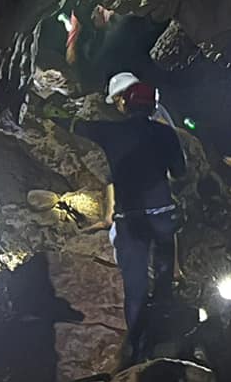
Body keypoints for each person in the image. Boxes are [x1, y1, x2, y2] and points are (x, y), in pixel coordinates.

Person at [73, 72, 186, 363]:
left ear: (126, 104)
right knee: (162, 284)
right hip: (162, 217)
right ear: (152, 107)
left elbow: (75, 126)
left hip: (130, 220)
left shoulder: (111, 132)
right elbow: (180, 174)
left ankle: (137, 353)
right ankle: (162, 345)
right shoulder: (166, 133)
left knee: (134, 287)